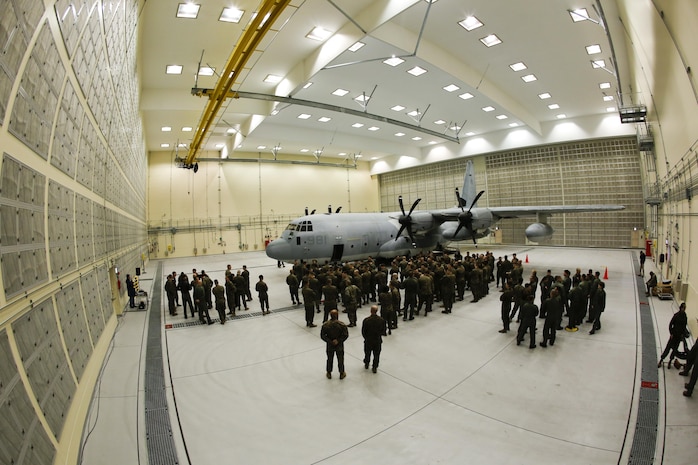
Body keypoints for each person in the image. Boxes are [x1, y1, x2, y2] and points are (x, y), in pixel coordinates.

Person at [658, 302, 688, 369]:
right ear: (681, 308)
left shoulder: (685, 317)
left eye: (684, 308)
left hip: (679, 336)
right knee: (668, 348)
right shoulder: (676, 316)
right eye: (683, 308)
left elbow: (684, 327)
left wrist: (682, 335)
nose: (683, 309)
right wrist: (671, 333)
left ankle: (670, 361)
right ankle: (661, 360)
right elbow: (670, 324)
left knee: (674, 350)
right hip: (674, 335)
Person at [321, 309, 348, 379]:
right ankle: (342, 373)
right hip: (339, 345)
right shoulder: (342, 325)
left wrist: (330, 341)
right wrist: (338, 340)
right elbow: (345, 335)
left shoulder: (326, 325)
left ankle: (329, 372)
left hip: (330, 345)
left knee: (329, 359)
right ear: (337, 315)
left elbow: (323, 336)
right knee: (340, 359)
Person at [362, 305, 387, 373]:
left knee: (367, 353)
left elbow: (363, 331)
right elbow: (383, 331)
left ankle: (367, 363)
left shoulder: (366, 320)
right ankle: (375, 367)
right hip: (377, 340)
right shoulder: (381, 320)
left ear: (371, 311)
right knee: (376, 354)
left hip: (368, 340)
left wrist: (366, 338)